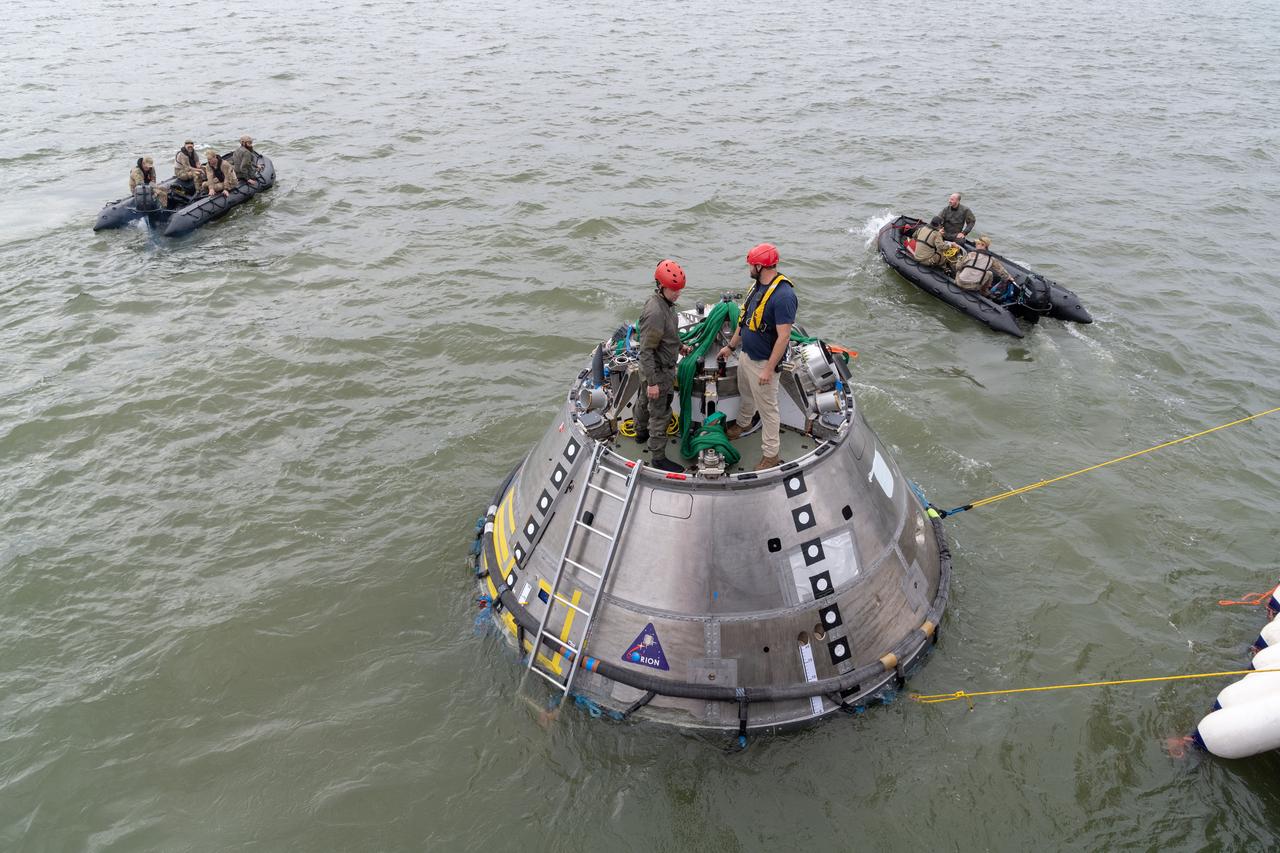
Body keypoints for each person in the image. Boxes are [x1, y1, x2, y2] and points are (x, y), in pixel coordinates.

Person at [717, 243, 797, 471]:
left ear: (760, 266)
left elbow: (783, 337)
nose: (749, 268)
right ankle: (743, 424)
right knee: (746, 394)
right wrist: (731, 348)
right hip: (746, 356)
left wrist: (769, 369)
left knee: (768, 411)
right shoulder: (758, 287)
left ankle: (770, 455)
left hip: (764, 363)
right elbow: (745, 321)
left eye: (751, 265)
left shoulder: (783, 296)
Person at [634, 260, 687, 473]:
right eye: (674, 289)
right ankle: (658, 456)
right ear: (661, 286)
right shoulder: (656, 312)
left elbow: (666, 336)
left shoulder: (665, 305)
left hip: (651, 370)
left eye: (679, 289)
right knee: (660, 413)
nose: (678, 294)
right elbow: (646, 350)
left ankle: (640, 433)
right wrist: (654, 383)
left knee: (643, 401)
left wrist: (680, 346)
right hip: (658, 372)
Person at [955, 235, 1015, 299]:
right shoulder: (991, 259)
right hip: (974, 286)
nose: (975, 245)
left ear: (983, 245)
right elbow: (1001, 271)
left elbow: (958, 267)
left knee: (960, 268)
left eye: (977, 244)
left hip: (959, 282)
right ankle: (984, 291)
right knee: (989, 273)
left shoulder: (971, 254)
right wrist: (1009, 277)